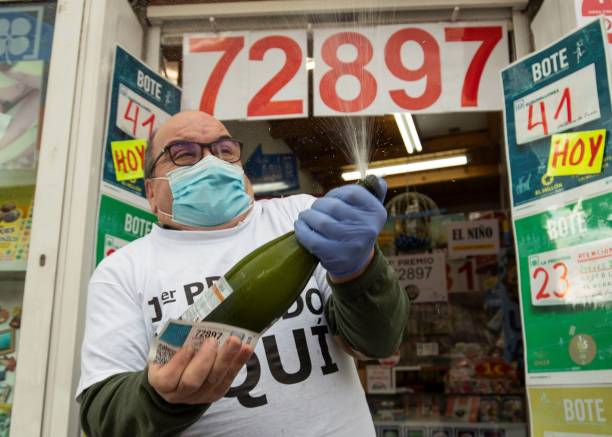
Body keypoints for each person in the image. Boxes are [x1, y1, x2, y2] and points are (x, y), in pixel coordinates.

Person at [77, 110, 407, 437]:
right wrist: (158, 398)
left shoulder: (302, 218)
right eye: (184, 154)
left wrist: (359, 270)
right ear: (151, 192)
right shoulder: (121, 272)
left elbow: (376, 343)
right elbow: (102, 418)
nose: (211, 162)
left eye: (225, 151)